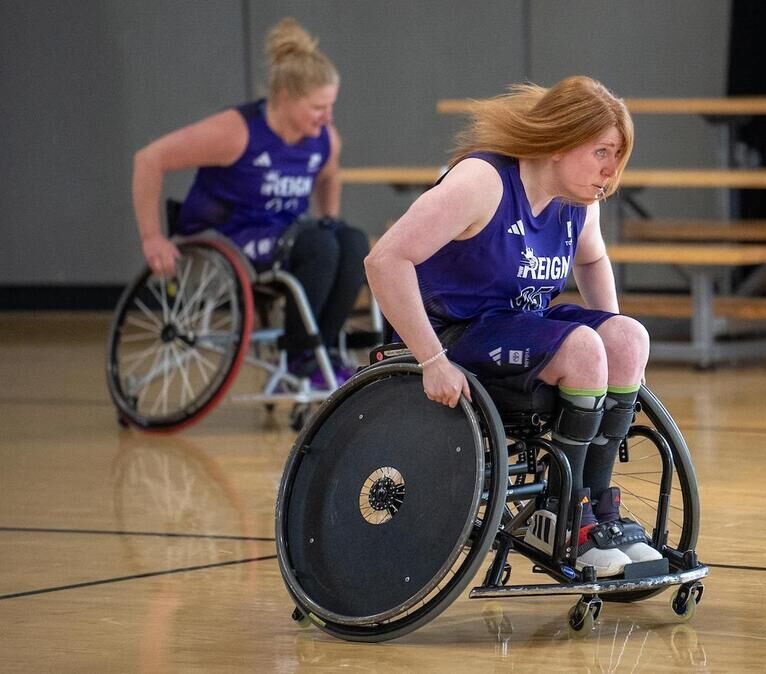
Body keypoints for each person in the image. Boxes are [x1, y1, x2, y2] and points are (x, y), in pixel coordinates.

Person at [365, 76, 661, 577]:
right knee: (585, 348)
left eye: (618, 156)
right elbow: (384, 260)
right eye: (603, 153)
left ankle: (596, 511)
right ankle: (561, 513)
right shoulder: (483, 182)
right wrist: (431, 360)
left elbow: (592, 263)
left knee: (628, 337)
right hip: (456, 334)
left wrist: (618, 355)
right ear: (562, 141)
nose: (611, 172)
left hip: (519, 327)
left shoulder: (578, 201)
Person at [132, 17, 369, 387]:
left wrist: (331, 217)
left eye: (331, 106)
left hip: (285, 236)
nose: (328, 117)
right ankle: (300, 356)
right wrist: (151, 238)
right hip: (229, 236)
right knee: (319, 244)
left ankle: (324, 351)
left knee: (351, 241)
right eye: (318, 107)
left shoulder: (325, 137)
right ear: (286, 98)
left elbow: (329, 174)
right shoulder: (236, 132)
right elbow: (149, 160)